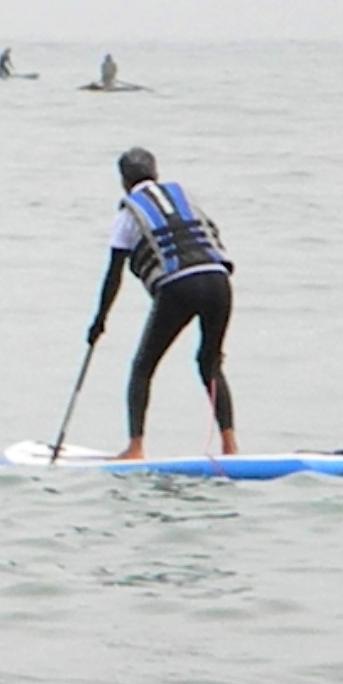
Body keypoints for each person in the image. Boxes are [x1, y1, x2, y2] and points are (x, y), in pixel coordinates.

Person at [83, 147, 238, 461]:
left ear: (124, 182)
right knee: (209, 363)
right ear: (156, 173)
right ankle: (231, 446)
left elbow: (113, 275)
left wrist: (99, 321)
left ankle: (136, 448)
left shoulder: (129, 213)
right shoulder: (184, 196)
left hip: (179, 286)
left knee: (143, 367)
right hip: (219, 280)